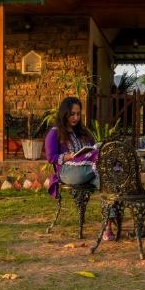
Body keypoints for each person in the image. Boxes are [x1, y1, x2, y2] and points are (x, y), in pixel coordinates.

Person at [44, 97, 115, 239]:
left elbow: (93, 149)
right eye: (72, 114)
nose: (76, 117)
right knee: (102, 168)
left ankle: (108, 226)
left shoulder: (83, 132)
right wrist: (69, 156)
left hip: (89, 169)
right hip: (67, 172)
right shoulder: (54, 132)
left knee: (105, 179)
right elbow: (51, 157)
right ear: (64, 114)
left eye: (78, 114)